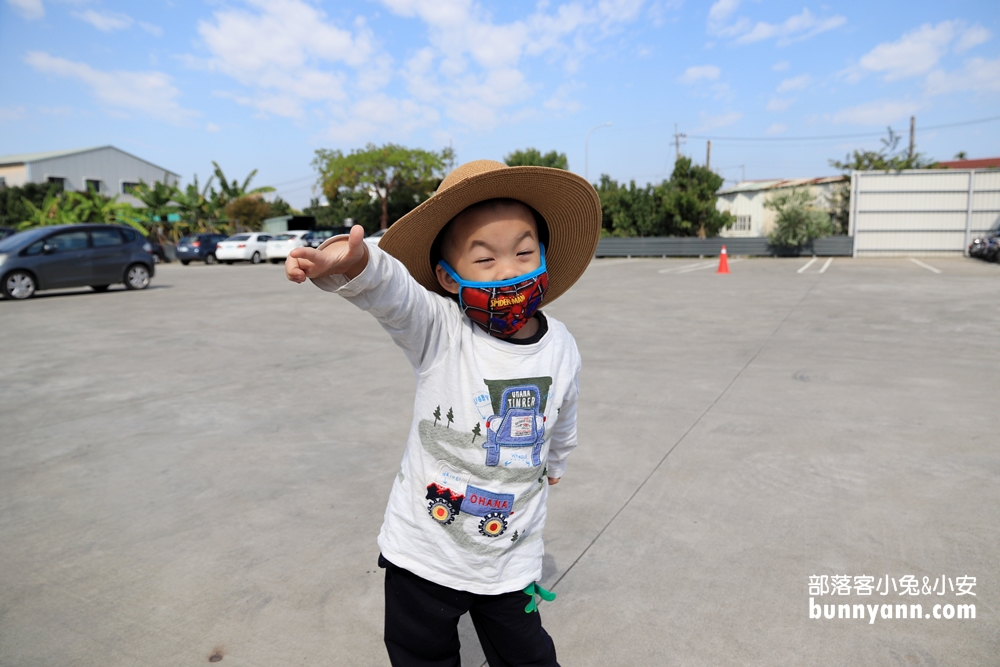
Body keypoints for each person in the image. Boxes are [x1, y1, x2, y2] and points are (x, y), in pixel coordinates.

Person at [285, 160, 601, 667]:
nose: (510, 271)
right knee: (420, 656)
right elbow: (393, 293)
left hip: (509, 558)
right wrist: (357, 262)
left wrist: (558, 460)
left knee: (529, 658)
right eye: (485, 259)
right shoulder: (439, 331)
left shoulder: (561, 345)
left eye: (523, 252)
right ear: (446, 278)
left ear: (544, 254)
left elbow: (563, 412)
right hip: (422, 554)